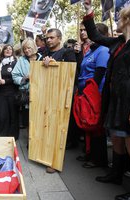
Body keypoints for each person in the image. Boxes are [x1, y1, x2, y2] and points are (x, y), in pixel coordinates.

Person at [83, 1, 130, 200]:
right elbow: (95, 35)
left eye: (119, 18)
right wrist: (89, 11)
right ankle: (116, 175)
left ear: (127, 20)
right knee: (117, 138)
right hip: (116, 101)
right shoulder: (118, 43)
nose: (117, 21)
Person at [75, 23, 110, 169]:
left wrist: (89, 92)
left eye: (88, 31)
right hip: (85, 92)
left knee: (96, 127)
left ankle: (99, 159)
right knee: (87, 124)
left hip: (95, 93)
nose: (86, 34)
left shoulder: (103, 50)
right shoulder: (90, 51)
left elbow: (99, 73)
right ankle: (89, 153)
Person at [42, 28, 76, 173]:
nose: (48, 40)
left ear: (59, 38)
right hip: (47, 94)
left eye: (51, 37)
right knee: (47, 127)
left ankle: (55, 161)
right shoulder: (45, 53)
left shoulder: (67, 52)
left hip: (61, 96)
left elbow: (71, 73)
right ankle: (45, 155)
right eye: (47, 38)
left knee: (58, 129)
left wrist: (55, 64)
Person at [12, 38, 43, 142]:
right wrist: (24, 78)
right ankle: (31, 142)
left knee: (39, 118)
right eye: (25, 49)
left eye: (29, 48)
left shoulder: (42, 58)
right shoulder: (21, 60)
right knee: (28, 120)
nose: (26, 50)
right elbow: (14, 75)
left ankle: (39, 140)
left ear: (34, 47)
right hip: (27, 96)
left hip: (40, 94)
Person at [0, 45, 19, 140]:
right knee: (3, 114)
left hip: (12, 92)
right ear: (3, 51)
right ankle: (4, 134)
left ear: (12, 51)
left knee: (13, 115)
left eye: (10, 49)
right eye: (6, 49)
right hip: (2, 93)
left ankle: (13, 135)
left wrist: (6, 81)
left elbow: (17, 77)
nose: (8, 50)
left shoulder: (15, 62)